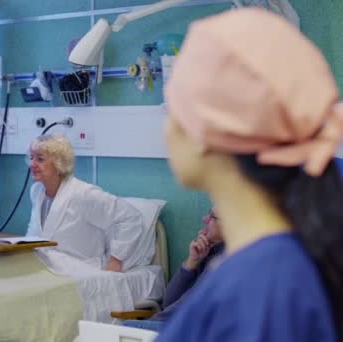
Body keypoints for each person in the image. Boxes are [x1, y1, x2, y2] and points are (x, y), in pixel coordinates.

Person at [158, 8, 342, 341]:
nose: (166, 130)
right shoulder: (274, 267)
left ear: (207, 132)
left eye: (172, 110)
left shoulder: (262, 287)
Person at [26, 134, 155, 273]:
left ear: (59, 163)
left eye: (40, 159)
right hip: (42, 266)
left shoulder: (84, 195)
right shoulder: (37, 192)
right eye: (31, 158)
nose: (32, 164)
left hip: (77, 268)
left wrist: (116, 259)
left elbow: (131, 217)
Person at [122, 208, 225, 332]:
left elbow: (191, 307)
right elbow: (168, 302)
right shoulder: (211, 252)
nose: (205, 219)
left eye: (212, 216)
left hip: (197, 331)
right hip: (183, 327)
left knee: (124, 329)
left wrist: (147, 327)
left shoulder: (226, 260)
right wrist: (191, 262)